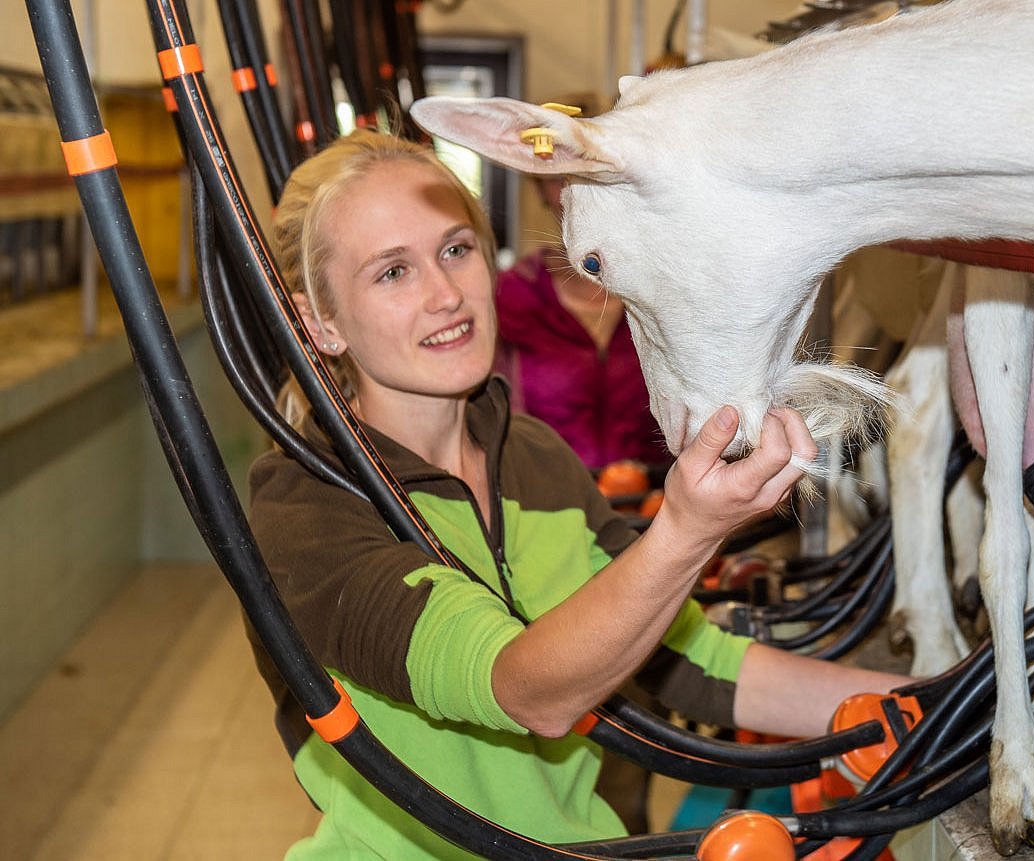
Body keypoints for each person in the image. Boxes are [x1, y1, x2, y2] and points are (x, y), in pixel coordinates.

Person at [248, 128, 911, 860]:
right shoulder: (308, 503)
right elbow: (523, 688)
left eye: (455, 248)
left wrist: (936, 702)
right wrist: (687, 531)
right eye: (392, 273)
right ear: (320, 322)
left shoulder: (531, 457)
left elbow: (693, 663)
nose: (445, 294)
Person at [493, 95, 670, 471]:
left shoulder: (665, 292)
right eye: (558, 177)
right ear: (538, 184)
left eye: (592, 172)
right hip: (546, 510)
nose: (575, 189)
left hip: (657, 506)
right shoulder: (508, 296)